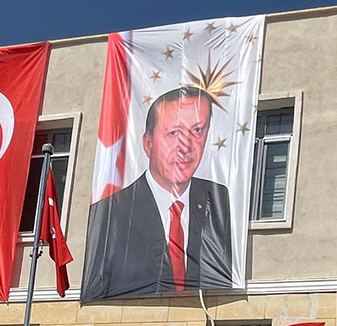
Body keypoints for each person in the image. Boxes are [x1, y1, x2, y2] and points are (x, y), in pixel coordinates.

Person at [82, 86, 233, 300]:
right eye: (174, 133)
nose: (186, 147)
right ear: (148, 144)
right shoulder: (111, 212)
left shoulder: (217, 198)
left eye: (197, 130)